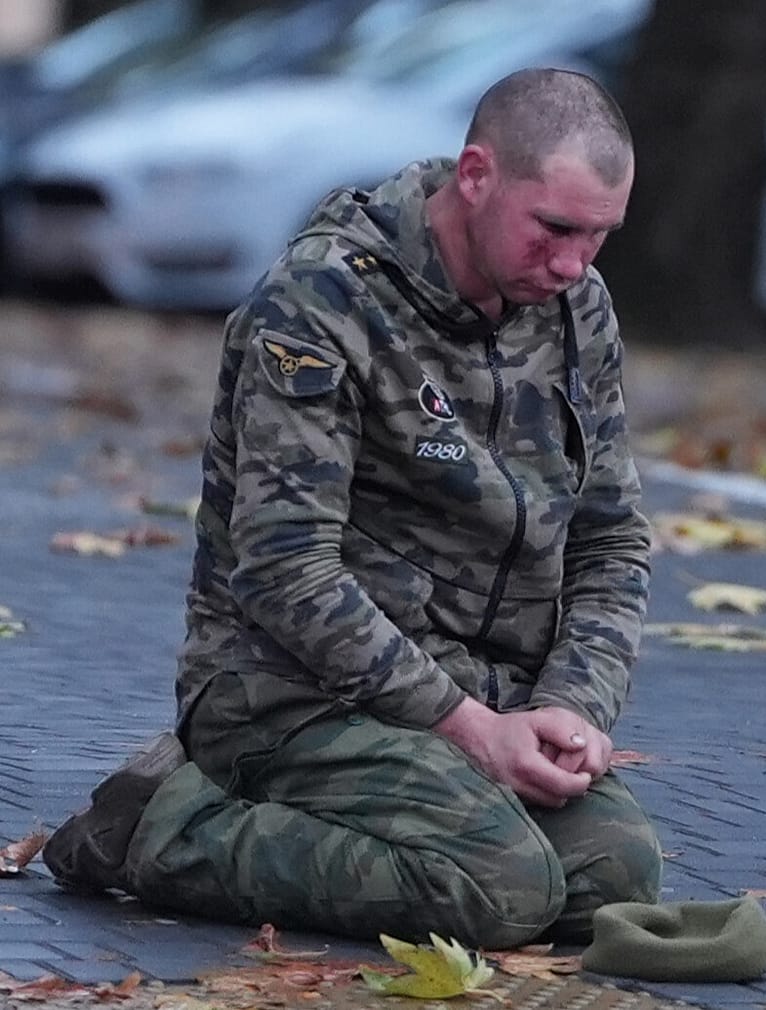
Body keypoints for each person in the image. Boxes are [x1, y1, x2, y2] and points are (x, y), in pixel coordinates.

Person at [44, 66, 662, 949]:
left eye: (598, 238)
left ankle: (415, 813)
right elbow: (285, 569)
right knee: (502, 893)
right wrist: (469, 728)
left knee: (617, 874)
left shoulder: (577, 310)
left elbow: (610, 539)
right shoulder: (324, 300)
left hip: (486, 693)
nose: (571, 265)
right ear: (477, 175)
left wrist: (572, 707)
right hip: (291, 690)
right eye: (554, 228)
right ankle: (161, 827)